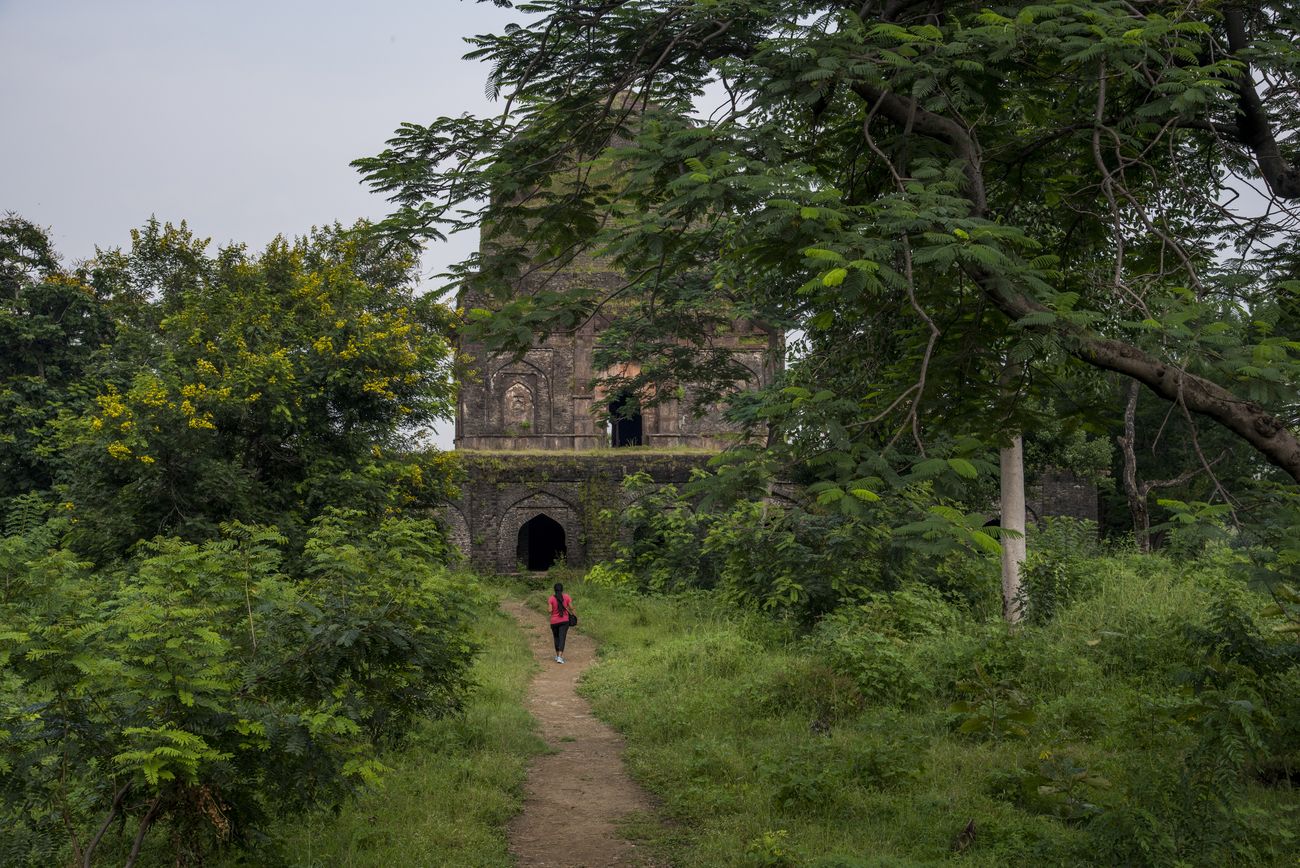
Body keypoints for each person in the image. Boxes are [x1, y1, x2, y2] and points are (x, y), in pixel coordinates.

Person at [548, 582, 575, 664]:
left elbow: (549, 610)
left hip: (554, 622)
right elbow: (571, 608)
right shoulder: (566, 597)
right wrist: (574, 615)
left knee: (556, 638)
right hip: (564, 621)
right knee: (562, 637)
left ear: (554, 590)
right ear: (562, 589)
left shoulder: (551, 598)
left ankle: (557, 656)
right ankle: (560, 656)